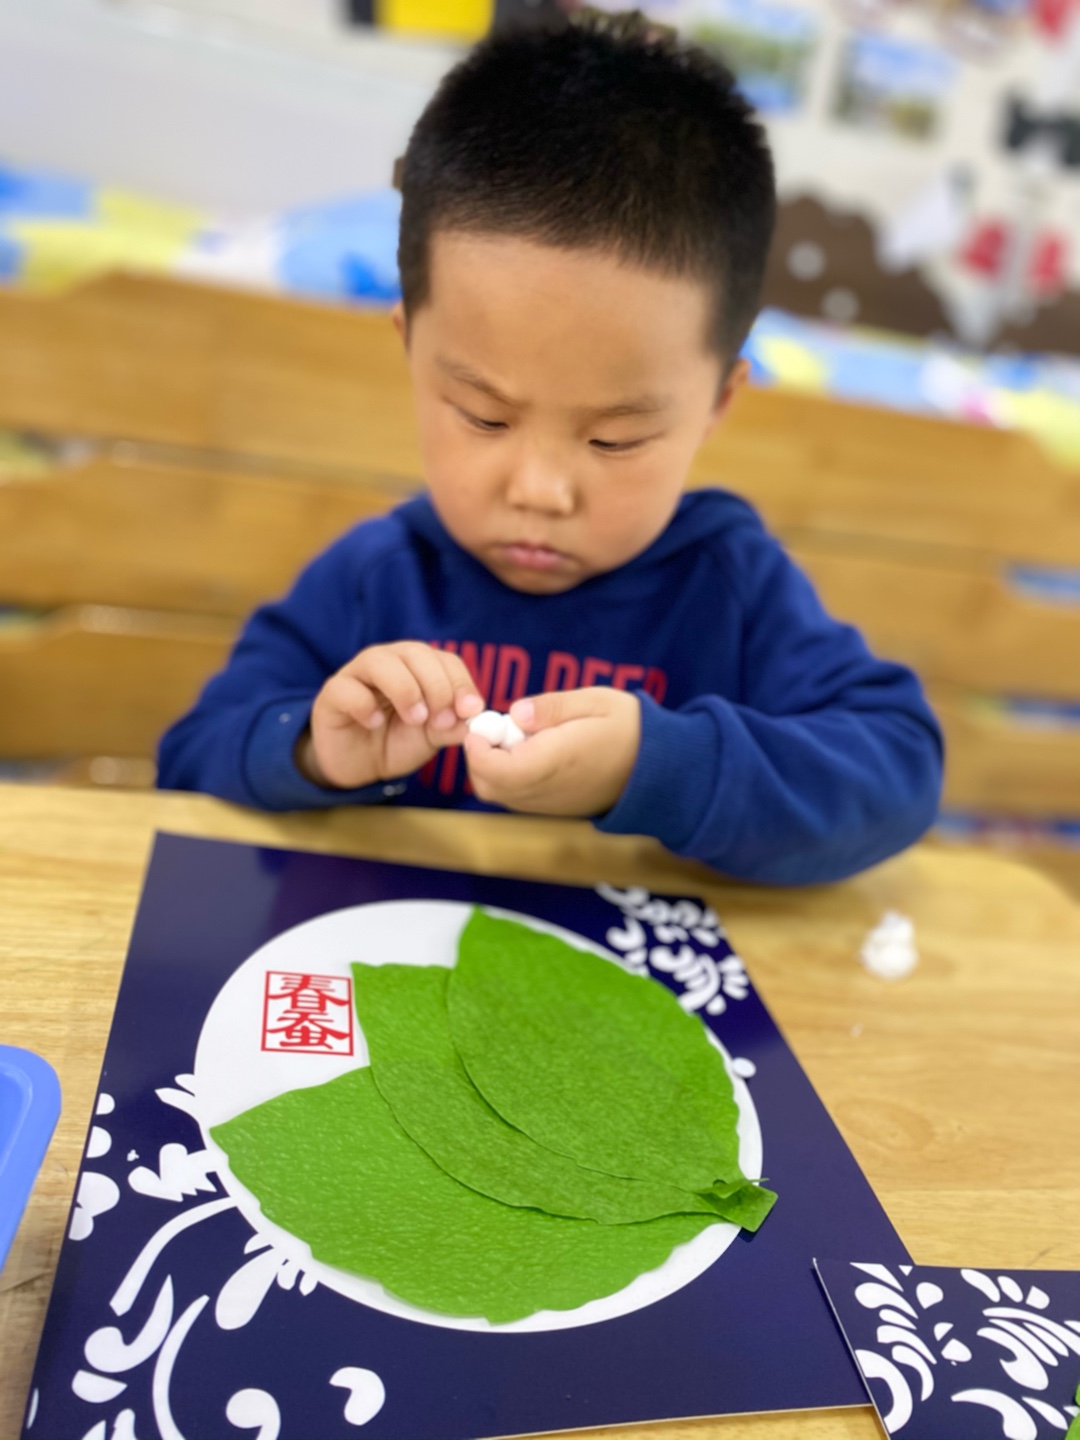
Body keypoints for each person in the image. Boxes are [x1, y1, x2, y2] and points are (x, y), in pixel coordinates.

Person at [158, 11, 942, 885]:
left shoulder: (732, 590)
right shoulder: (378, 578)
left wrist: (659, 766)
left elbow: (899, 770)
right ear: (412, 351)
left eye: (615, 438)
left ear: (718, 402)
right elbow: (191, 757)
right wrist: (312, 750)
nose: (539, 489)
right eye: (484, 418)